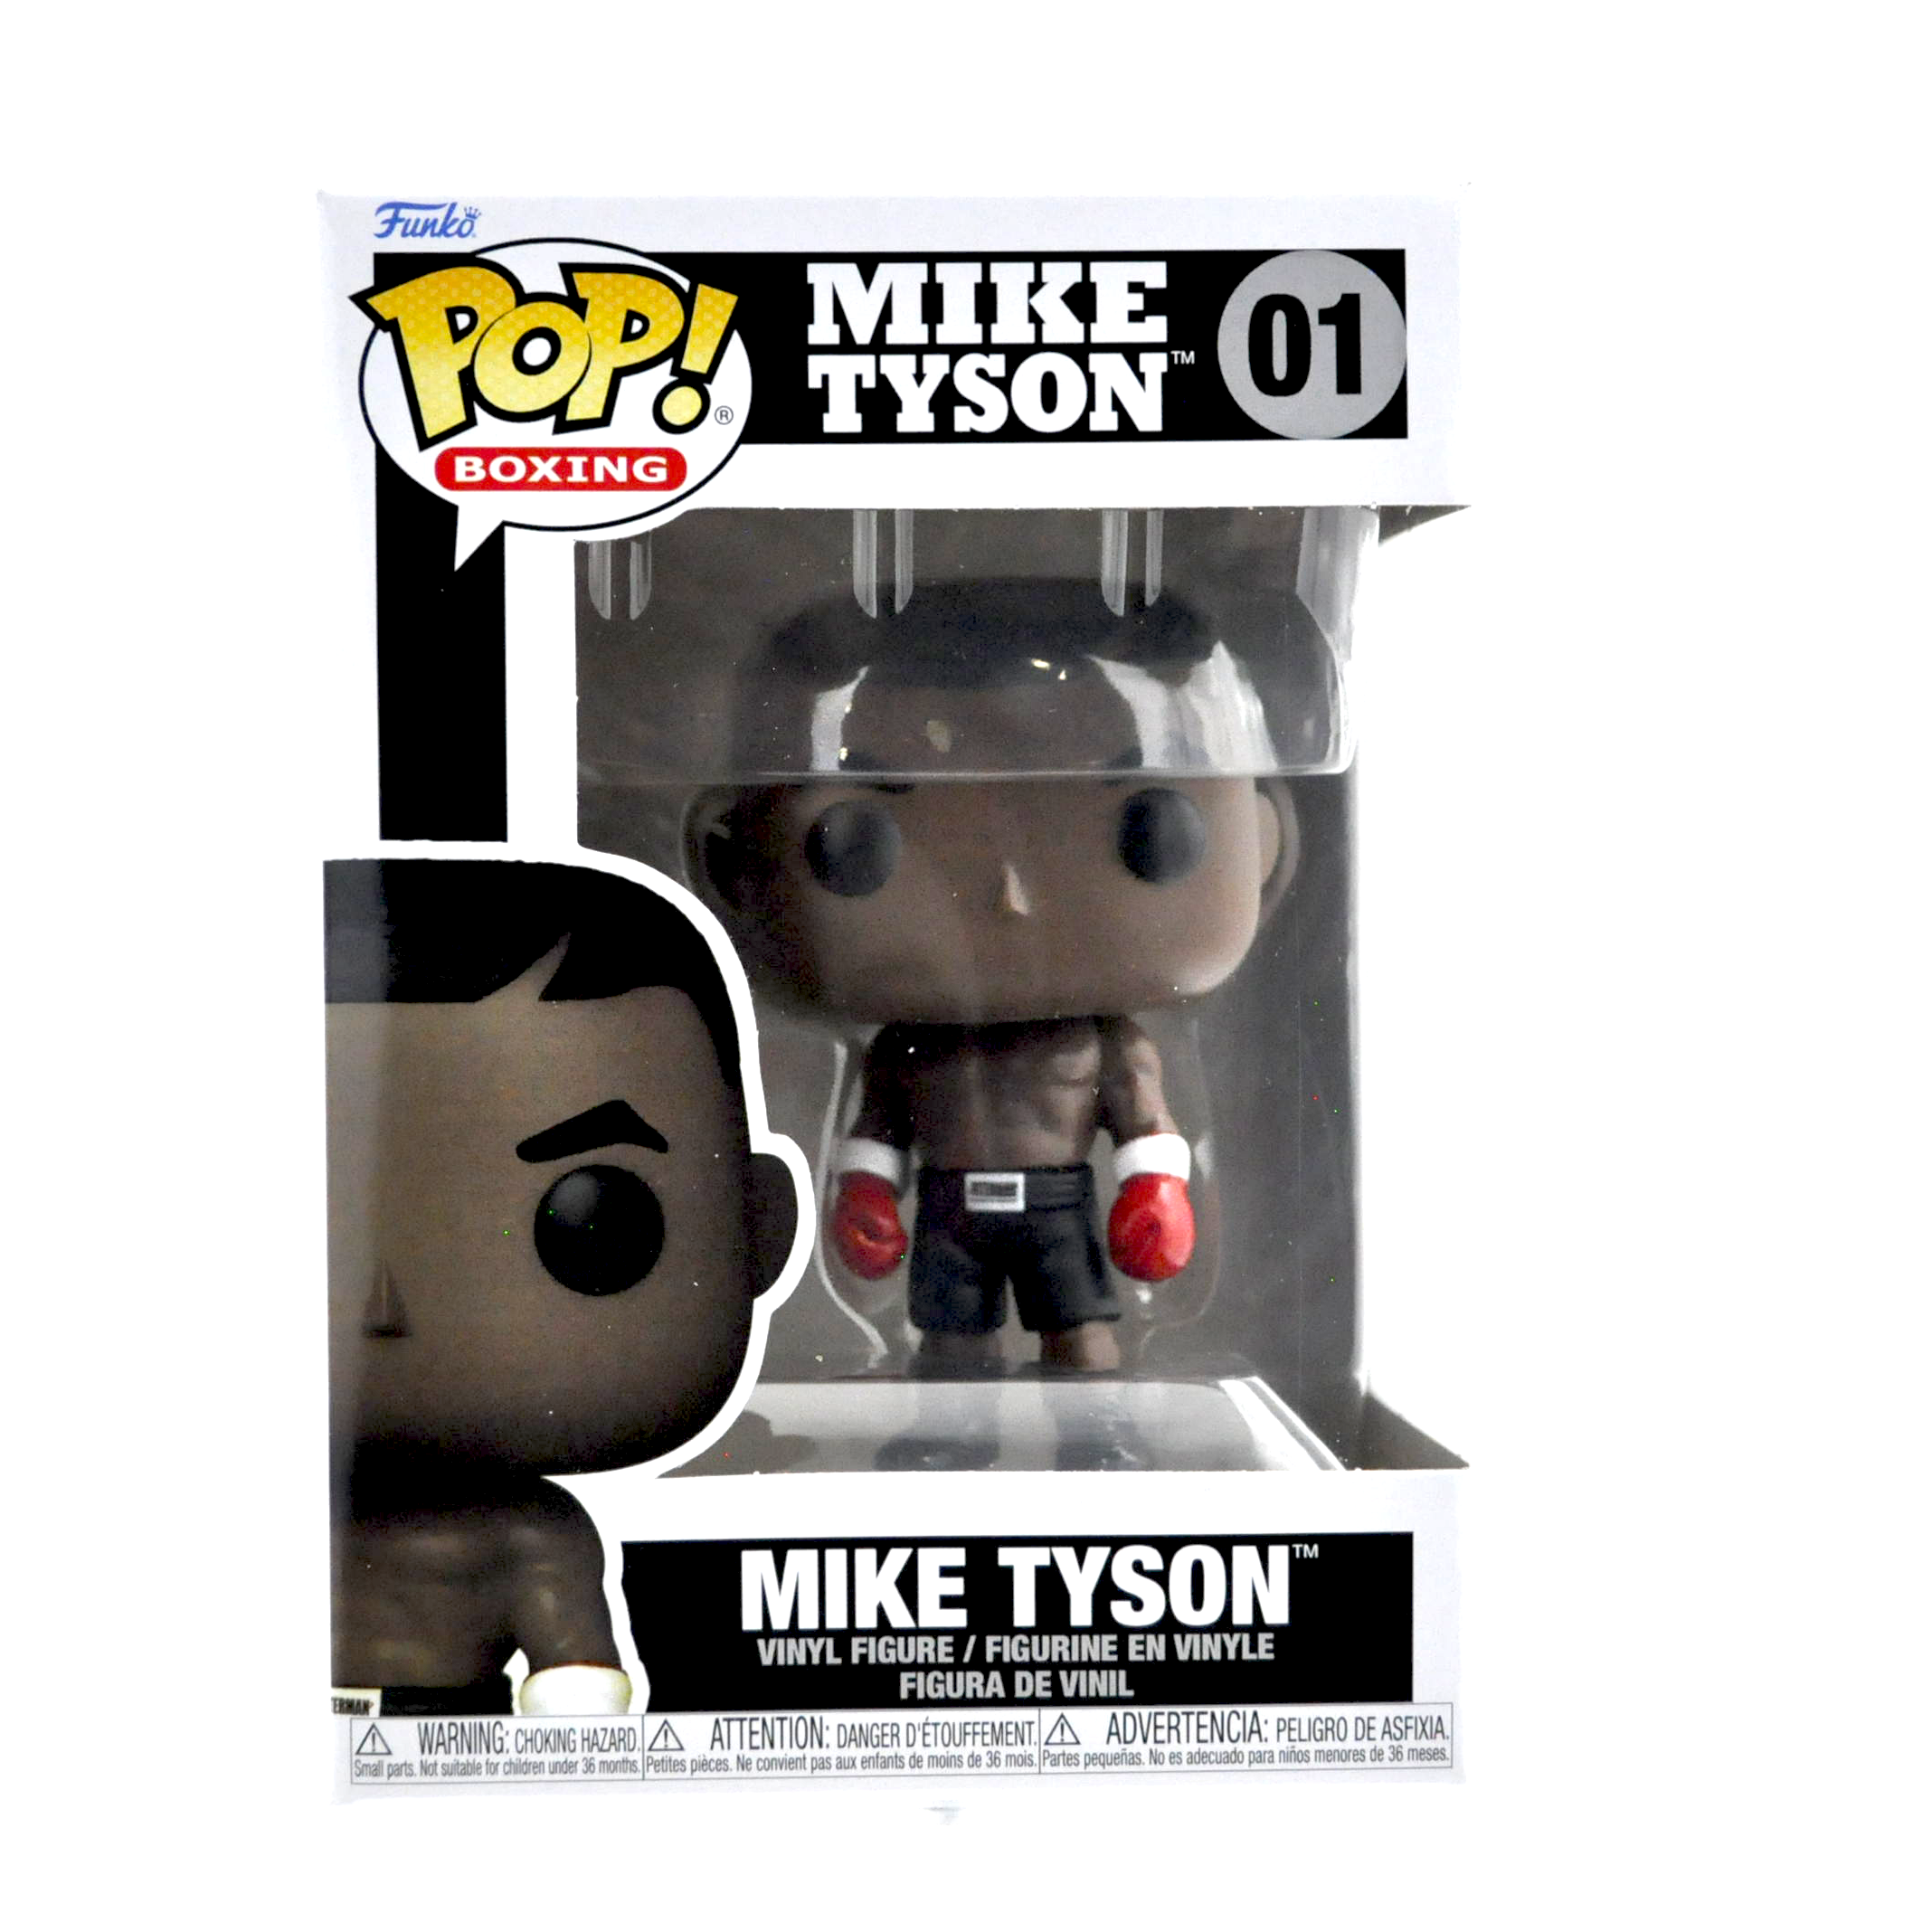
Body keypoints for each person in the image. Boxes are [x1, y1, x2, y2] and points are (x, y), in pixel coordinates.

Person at [326, 858, 800, 1716]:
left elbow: (576, 1682)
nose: (380, 1308)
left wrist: (571, 1745)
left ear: (759, 1228)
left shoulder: (529, 1538)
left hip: (458, 1742)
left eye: (590, 1223)